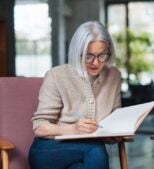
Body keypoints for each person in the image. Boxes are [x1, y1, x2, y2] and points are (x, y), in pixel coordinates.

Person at [29, 21, 122, 169]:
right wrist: (73, 129)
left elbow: (113, 118)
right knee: (96, 150)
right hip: (50, 148)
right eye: (88, 56)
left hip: (87, 151)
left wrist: (114, 134)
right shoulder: (56, 75)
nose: (96, 62)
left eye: (102, 55)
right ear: (76, 51)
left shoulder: (114, 76)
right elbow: (40, 127)